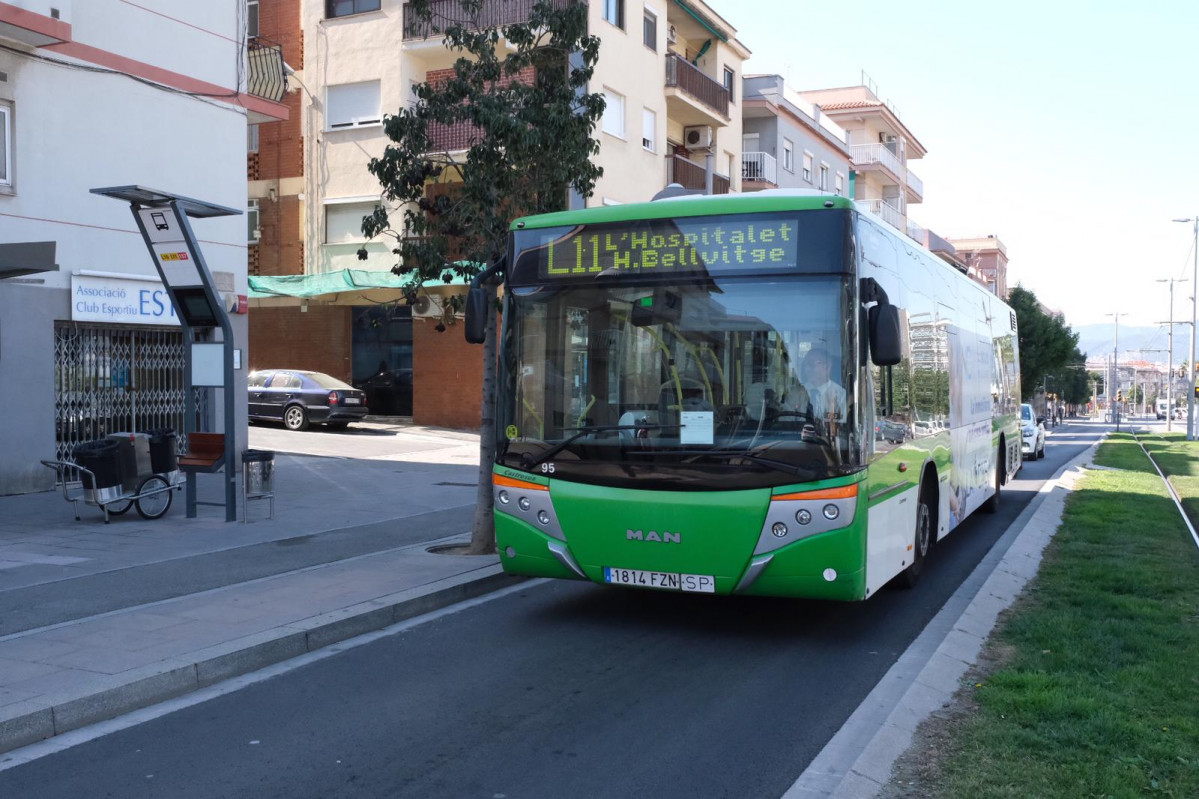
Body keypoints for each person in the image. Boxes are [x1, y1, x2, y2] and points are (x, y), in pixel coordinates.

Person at [801, 347, 847, 424]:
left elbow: (841, 426)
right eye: (804, 365)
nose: (807, 369)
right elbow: (787, 422)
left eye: (811, 364)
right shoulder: (796, 392)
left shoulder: (840, 395)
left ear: (827, 367)